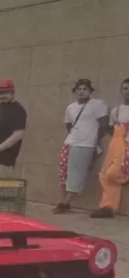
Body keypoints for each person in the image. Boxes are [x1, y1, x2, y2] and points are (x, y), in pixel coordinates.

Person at [54, 79, 109, 213]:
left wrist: (93, 139)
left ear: (89, 91)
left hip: (86, 144)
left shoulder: (97, 105)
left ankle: (66, 203)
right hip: (70, 142)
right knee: (64, 172)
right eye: (79, 89)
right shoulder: (71, 107)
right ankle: (63, 199)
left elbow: (103, 125)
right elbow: (68, 125)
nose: (81, 91)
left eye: (84, 89)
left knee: (77, 174)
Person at [90, 78, 129, 219]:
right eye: (125, 88)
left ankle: (125, 175)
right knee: (104, 174)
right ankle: (107, 207)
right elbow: (112, 128)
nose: (127, 91)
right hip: (115, 144)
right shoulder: (116, 110)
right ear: (121, 91)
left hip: (127, 146)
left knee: (113, 173)